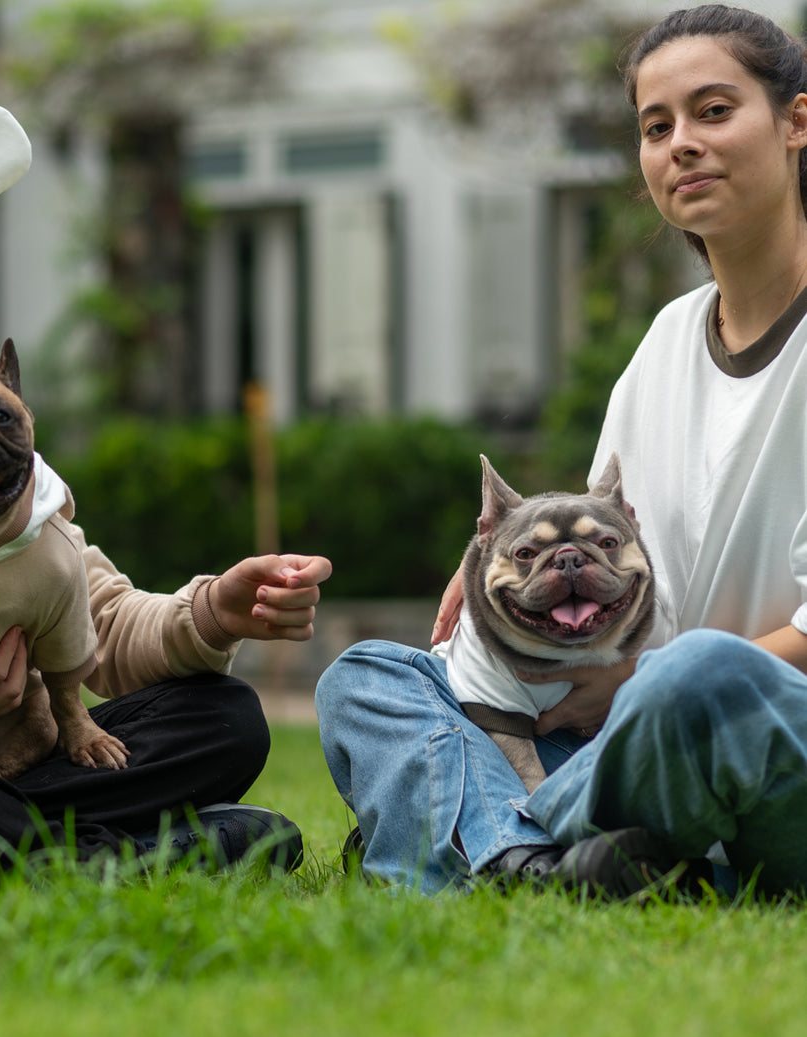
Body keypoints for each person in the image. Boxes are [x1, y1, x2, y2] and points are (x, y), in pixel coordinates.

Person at [317, 3, 807, 899]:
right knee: (372, 675)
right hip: (627, 725)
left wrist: (639, 686)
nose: (681, 145)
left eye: (713, 111)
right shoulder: (665, 342)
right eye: (656, 128)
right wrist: (503, 573)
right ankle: (544, 864)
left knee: (698, 675)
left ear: (796, 122)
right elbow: (605, 538)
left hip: (754, 722)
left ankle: (471, 837)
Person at [0, 102, 331, 871]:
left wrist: (216, 611)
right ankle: (80, 854)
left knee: (222, 718)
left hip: (4, 754)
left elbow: (95, 622)